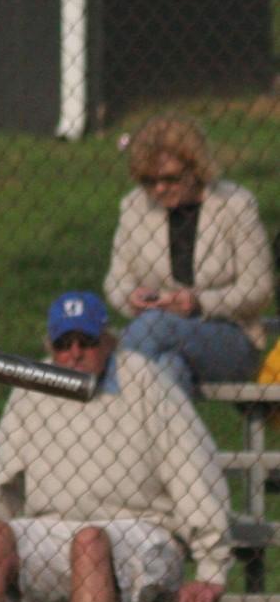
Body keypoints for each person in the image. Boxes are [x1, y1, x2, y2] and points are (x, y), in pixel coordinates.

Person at [0, 291, 233, 602]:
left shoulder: (146, 381)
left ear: (108, 341)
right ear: (52, 348)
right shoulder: (33, 385)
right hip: (56, 532)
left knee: (90, 540)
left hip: (143, 533)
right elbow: (0, 478)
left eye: (86, 342)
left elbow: (194, 470)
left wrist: (211, 565)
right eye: (64, 344)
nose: (76, 353)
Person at [103, 114, 273, 398]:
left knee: (154, 326)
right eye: (148, 180)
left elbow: (259, 289)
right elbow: (116, 282)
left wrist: (198, 303)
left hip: (228, 336)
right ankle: (161, 442)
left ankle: (110, 415)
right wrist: (132, 297)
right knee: (169, 371)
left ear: (195, 169)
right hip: (154, 339)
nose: (158, 189)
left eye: (170, 178)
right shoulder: (133, 206)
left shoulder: (235, 205)